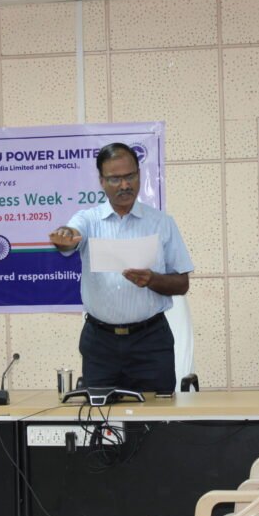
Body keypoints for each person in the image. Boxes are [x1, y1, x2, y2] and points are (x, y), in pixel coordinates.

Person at [50, 142, 194, 392]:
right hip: (100, 343)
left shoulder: (161, 223)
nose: (125, 185)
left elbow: (182, 284)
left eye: (130, 176)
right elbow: (71, 235)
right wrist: (65, 237)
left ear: (139, 174)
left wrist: (152, 280)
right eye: (115, 179)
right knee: (100, 414)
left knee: (157, 413)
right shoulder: (88, 220)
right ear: (101, 181)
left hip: (150, 341)